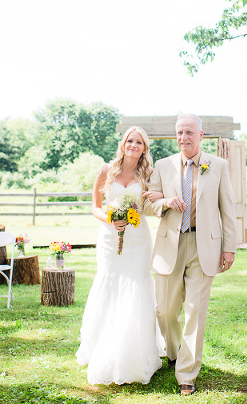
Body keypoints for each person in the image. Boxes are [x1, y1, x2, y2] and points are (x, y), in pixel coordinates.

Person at [144, 114, 237, 396]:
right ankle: (173, 354)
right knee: (166, 310)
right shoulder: (162, 166)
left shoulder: (218, 165)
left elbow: (227, 209)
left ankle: (186, 373)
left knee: (196, 311)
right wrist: (164, 202)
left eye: (189, 132)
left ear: (200, 135)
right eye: (179, 132)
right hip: (170, 244)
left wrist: (229, 247)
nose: (183, 137)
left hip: (204, 245)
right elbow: (146, 204)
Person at [76, 126, 163, 385]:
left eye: (139, 142)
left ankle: (135, 351)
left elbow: (155, 200)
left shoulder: (148, 173)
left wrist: (159, 196)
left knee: (137, 285)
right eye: (129, 140)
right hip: (108, 238)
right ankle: (102, 347)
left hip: (138, 240)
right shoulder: (106, 170)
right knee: (109, 284)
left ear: (144, 148)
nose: (133, 145)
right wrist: (111, 220)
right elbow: (95, 207)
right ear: (123, 144)